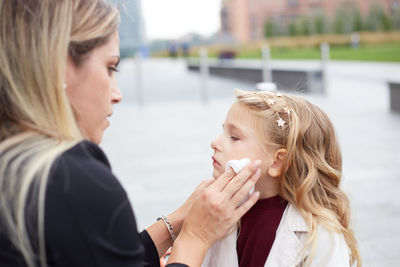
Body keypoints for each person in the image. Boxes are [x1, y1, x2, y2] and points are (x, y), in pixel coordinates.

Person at [0, 1, 262, 267]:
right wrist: (196, 237)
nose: (118, 94)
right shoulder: (70, 183)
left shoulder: (16, 163)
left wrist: (181, 219)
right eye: (110, 68)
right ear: (58, 66)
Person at [204, 89, 362, 267]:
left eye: (234, 137)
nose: (215, 142)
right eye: (223, 131)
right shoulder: (219, 210)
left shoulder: (322, 237)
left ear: (277, 162)